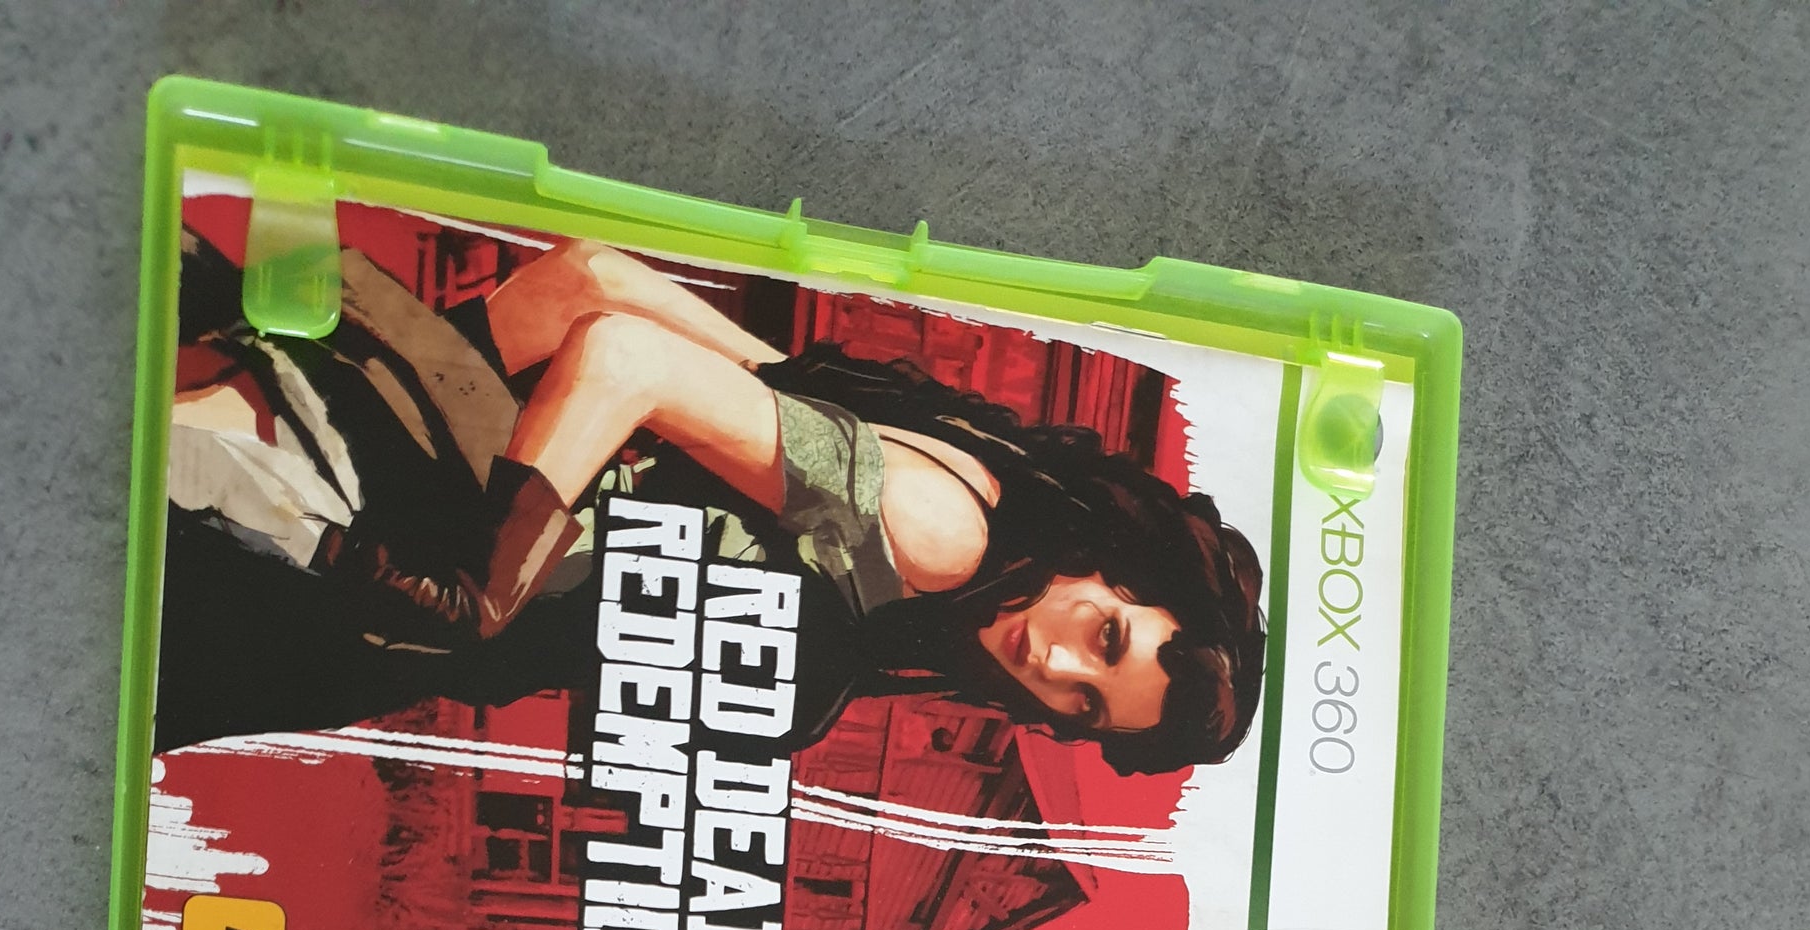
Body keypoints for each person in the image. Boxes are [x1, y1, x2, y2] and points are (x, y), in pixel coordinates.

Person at [159, 232, 1266, 773]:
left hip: (408, 470)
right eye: (1104, 638)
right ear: (1122, 570)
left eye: (1082, 704)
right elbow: (625, 355)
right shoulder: (944, 537)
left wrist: (403, 372)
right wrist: (480, 594)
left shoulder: (978, 473)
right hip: (407, 548)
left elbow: (597, 279)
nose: (1053, 665)